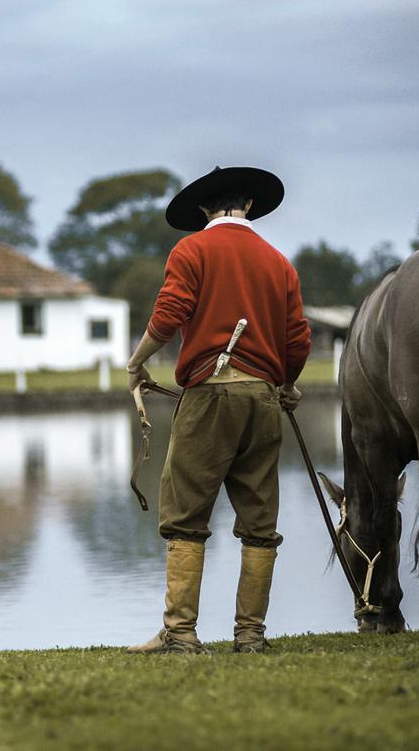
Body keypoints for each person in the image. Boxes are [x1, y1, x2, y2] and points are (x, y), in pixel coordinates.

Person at [125, 165, 311, 654]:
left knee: (185, 515)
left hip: (209, 397)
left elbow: (169, 314)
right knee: (259, 521)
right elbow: (298, 338)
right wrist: (286, 384)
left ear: (204, 209)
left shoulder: (191, 250)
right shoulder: (278, 261)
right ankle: (250, 636)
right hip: (263, 400)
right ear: (249, 205)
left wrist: (136, 362)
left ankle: (180, 634)